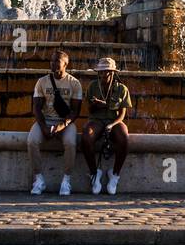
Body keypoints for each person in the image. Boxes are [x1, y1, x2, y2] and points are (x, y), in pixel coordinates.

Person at [29, 49, 82, 195]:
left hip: (65, 122)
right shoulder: (42, 82)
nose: (52, 63)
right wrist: (44, 127)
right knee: (32, 141)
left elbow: (75, 112)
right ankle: (39, 179)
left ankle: (66, 180)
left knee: (71, 143)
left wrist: (62, 125)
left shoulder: (74, 83)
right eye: (51, 60)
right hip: (45, 119)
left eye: (56, 61)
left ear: (65, 64)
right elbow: (37, 108)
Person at [82, 57, 131, 195]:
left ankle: (114, 174)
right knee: (86, 137)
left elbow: (122, 114)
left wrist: (112, 125)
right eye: (102, 72)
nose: (104, 75)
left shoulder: (121, 89)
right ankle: (94, 173)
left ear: (113, 73)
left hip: (114, 120)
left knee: (124, 138)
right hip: (96, 120)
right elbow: (89, 110)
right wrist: (95, 105)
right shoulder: (93, 86)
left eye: (107, 72)